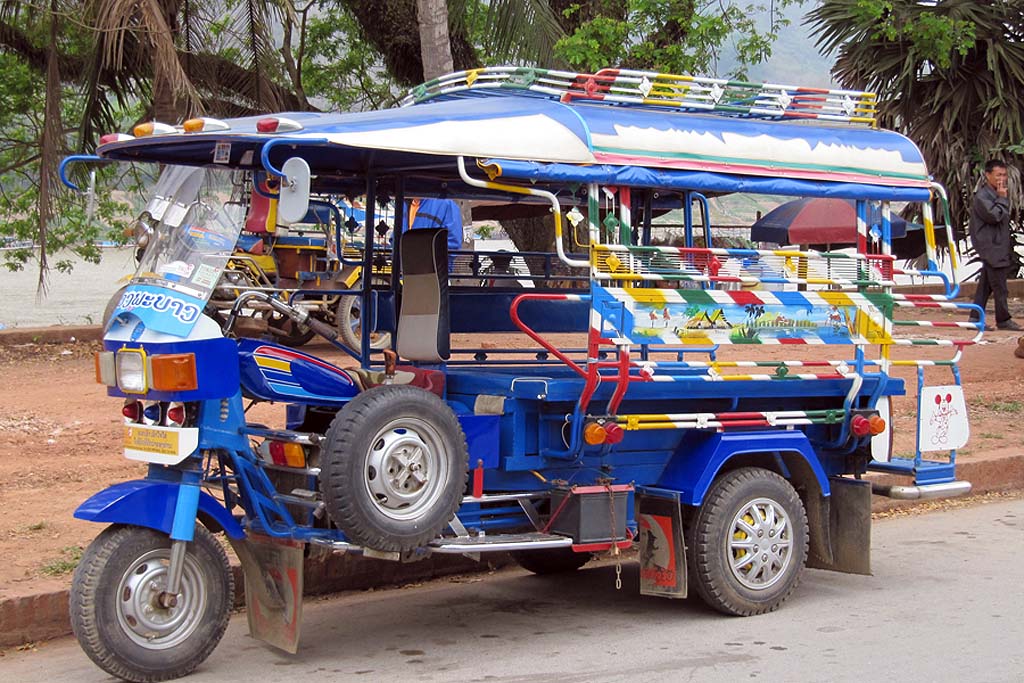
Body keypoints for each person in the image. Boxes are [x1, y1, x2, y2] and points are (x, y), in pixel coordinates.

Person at [969, 159, 1021, 331]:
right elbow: (995, 216)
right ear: (988, 175)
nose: (1002, 178)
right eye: (998, 175)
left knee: (986, 284)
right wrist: (1002, 199)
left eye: (1004, 175)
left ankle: (974, 317)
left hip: (996, 245)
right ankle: (1003, 319)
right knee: (999, 285)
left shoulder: (994, 195)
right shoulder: (983, 196)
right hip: (990, 246)